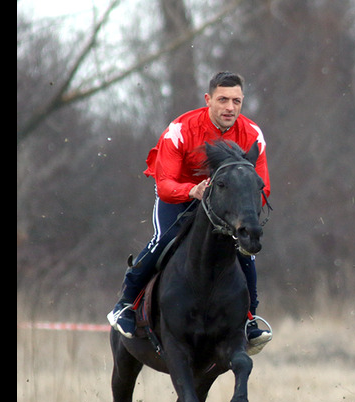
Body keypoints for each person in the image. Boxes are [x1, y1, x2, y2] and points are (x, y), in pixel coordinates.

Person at [107, 71, 272, 354]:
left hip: (223, 204)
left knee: (246, 250)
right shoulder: (181, 129)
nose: (230, 108)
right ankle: (126, 305)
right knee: (163, 241)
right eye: (222, 100)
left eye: (236, 101)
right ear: (208, 100)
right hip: (180, 197)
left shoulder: (252, 134)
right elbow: (165, 183)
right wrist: (192, 191)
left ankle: (248, 320)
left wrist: (243, 216)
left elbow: (262, 185)